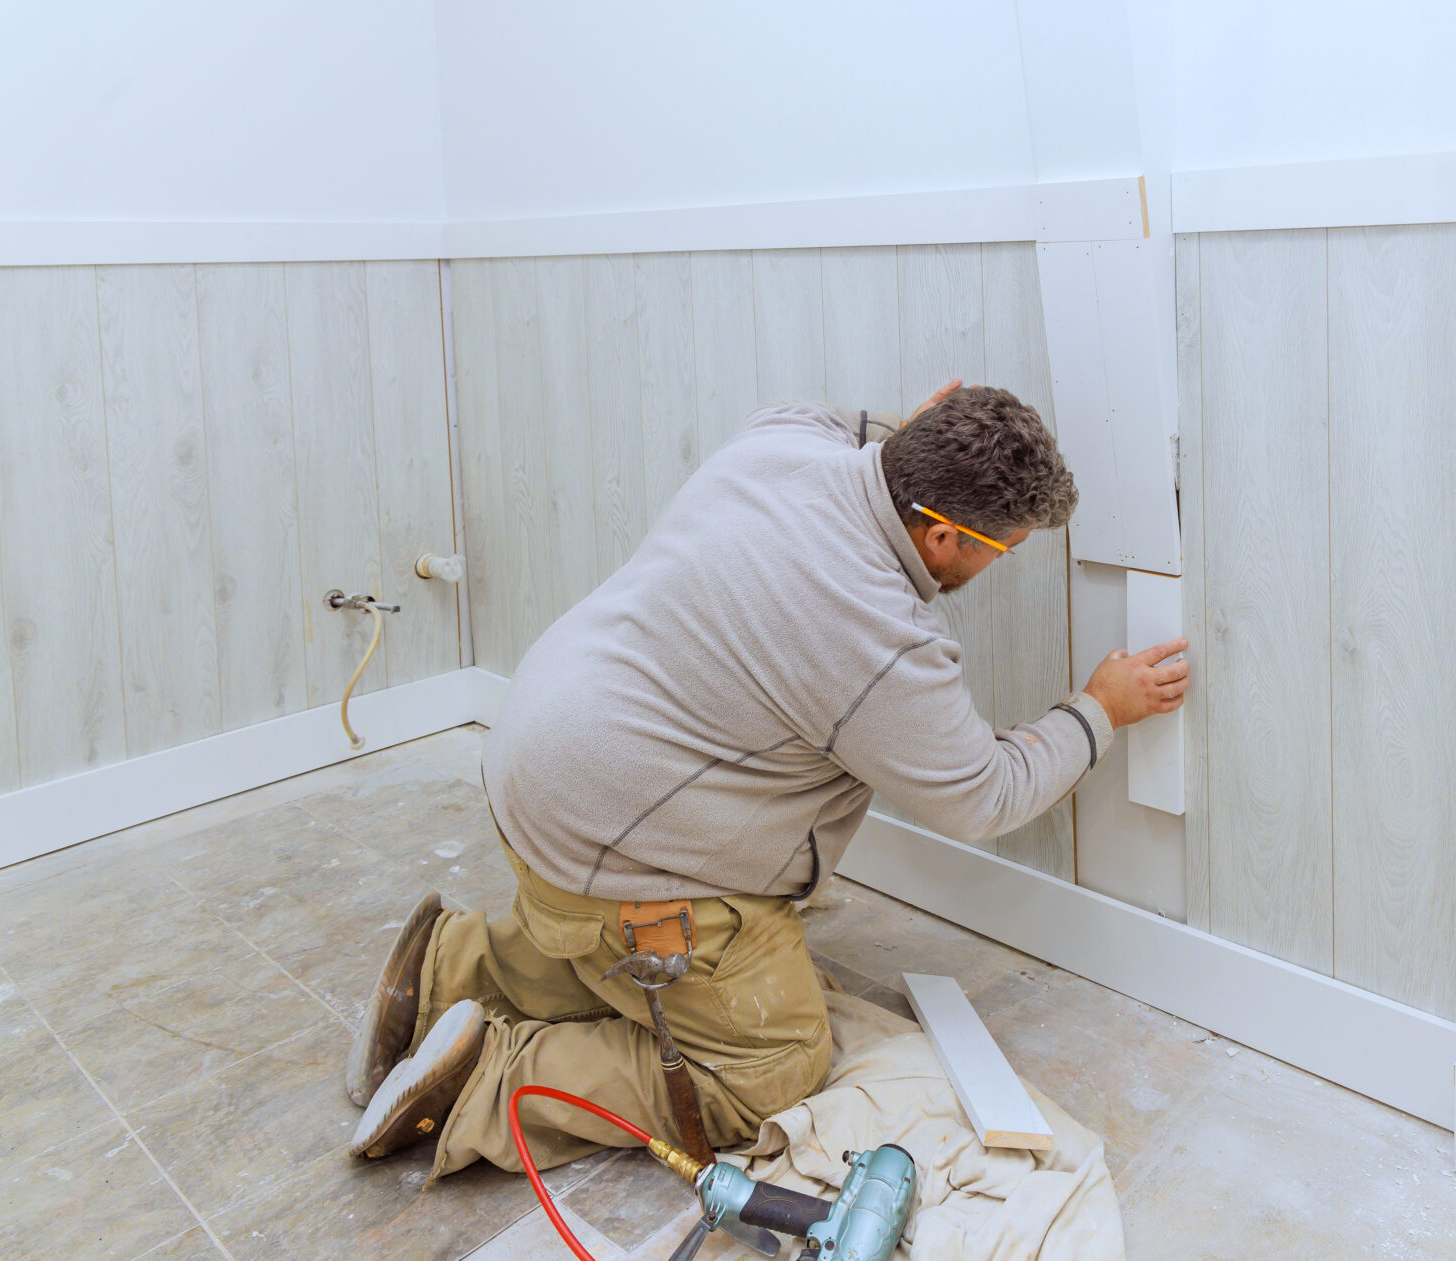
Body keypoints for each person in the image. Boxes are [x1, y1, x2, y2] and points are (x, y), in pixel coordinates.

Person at [342, 380, 1188, 1181]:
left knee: (606, 928)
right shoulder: (882, 638)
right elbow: (983, 794)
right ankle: (488, 1079)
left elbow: (855, 425)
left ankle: (448, 968)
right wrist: (1099, 709)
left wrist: (920, 428)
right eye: (1003, 550)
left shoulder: (783, 440)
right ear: (940, 539)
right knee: (774, 1063)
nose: (1000, 563)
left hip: (532, 758)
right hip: (609, 840)